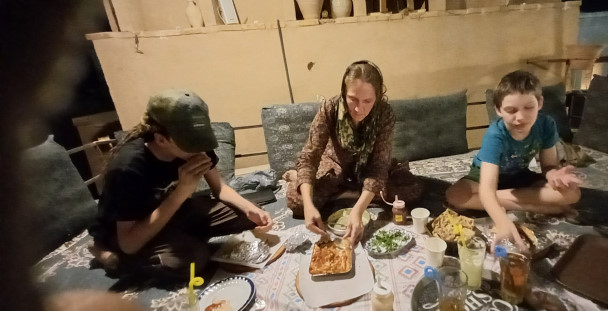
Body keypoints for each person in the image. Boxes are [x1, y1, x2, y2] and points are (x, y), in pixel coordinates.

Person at [88, 89, 273, 280]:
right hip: (131, 232)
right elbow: (129, 243)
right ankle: (105, 251)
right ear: (161, 139)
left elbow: (220, 187)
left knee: (250, 215)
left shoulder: (198, 144)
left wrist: (250, 209)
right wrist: (181, 192)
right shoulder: (128, 167)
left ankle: (184, 236)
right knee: (195, 260)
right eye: (190, 143)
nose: (199, 149)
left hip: (177, 211)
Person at [285, 60, 423, 244]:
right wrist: (309, 206)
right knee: (297, 201)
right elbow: (310, 157)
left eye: (368, 101)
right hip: (335, 166)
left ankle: (346, 194)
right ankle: (347, 190)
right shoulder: (330, 108)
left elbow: (379, 167)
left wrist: (357, 211)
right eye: (353, 99)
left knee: (412, 190)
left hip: (368, 169)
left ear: (378, 96)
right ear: (343, 93)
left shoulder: (384, 114)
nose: (359, 109)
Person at [445, 71, 582, 250]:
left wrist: (554, 173)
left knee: (572, 193)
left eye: (529, 108)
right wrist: (502, 221)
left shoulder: (546, 125)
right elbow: (487, 187)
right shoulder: (495, 134)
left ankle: (504, 201)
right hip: (483, 178)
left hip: (520, 175)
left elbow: (548, 166)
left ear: (539, 103)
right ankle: (538, 207)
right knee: (454, 195)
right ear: (498, 110)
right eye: (511, 110)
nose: (520, 117)